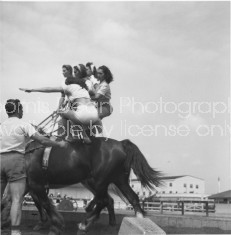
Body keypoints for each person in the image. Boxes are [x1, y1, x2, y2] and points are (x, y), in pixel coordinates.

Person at [0, 99, 67, 235]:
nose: (23, 111)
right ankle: (15, 232)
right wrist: (58, 145)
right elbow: (42, 140)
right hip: (15, 161)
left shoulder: (1, 126)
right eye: (22, 109)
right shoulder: (24, 124)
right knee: (17, 199)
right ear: (18, 110)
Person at [19, 64, 99, 144]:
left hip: (82, 114)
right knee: (70, 114)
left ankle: (74, 136)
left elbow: (49, 89)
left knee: (63, 113)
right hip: (95, 114)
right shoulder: (84, 87)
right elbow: (94, 94)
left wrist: (32, 90)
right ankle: (79, 136)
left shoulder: (69, 86)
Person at [88, 65, 113, 137]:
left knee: (94, 116)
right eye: (97, 73)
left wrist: (85, 97)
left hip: (106, 107)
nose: (98, 75)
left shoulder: (105, 85)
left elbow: (96, 97)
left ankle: (100, 135)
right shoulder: (99, 84)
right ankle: (91, 137)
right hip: (97, 107)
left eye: (100, 73)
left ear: (105, 75)